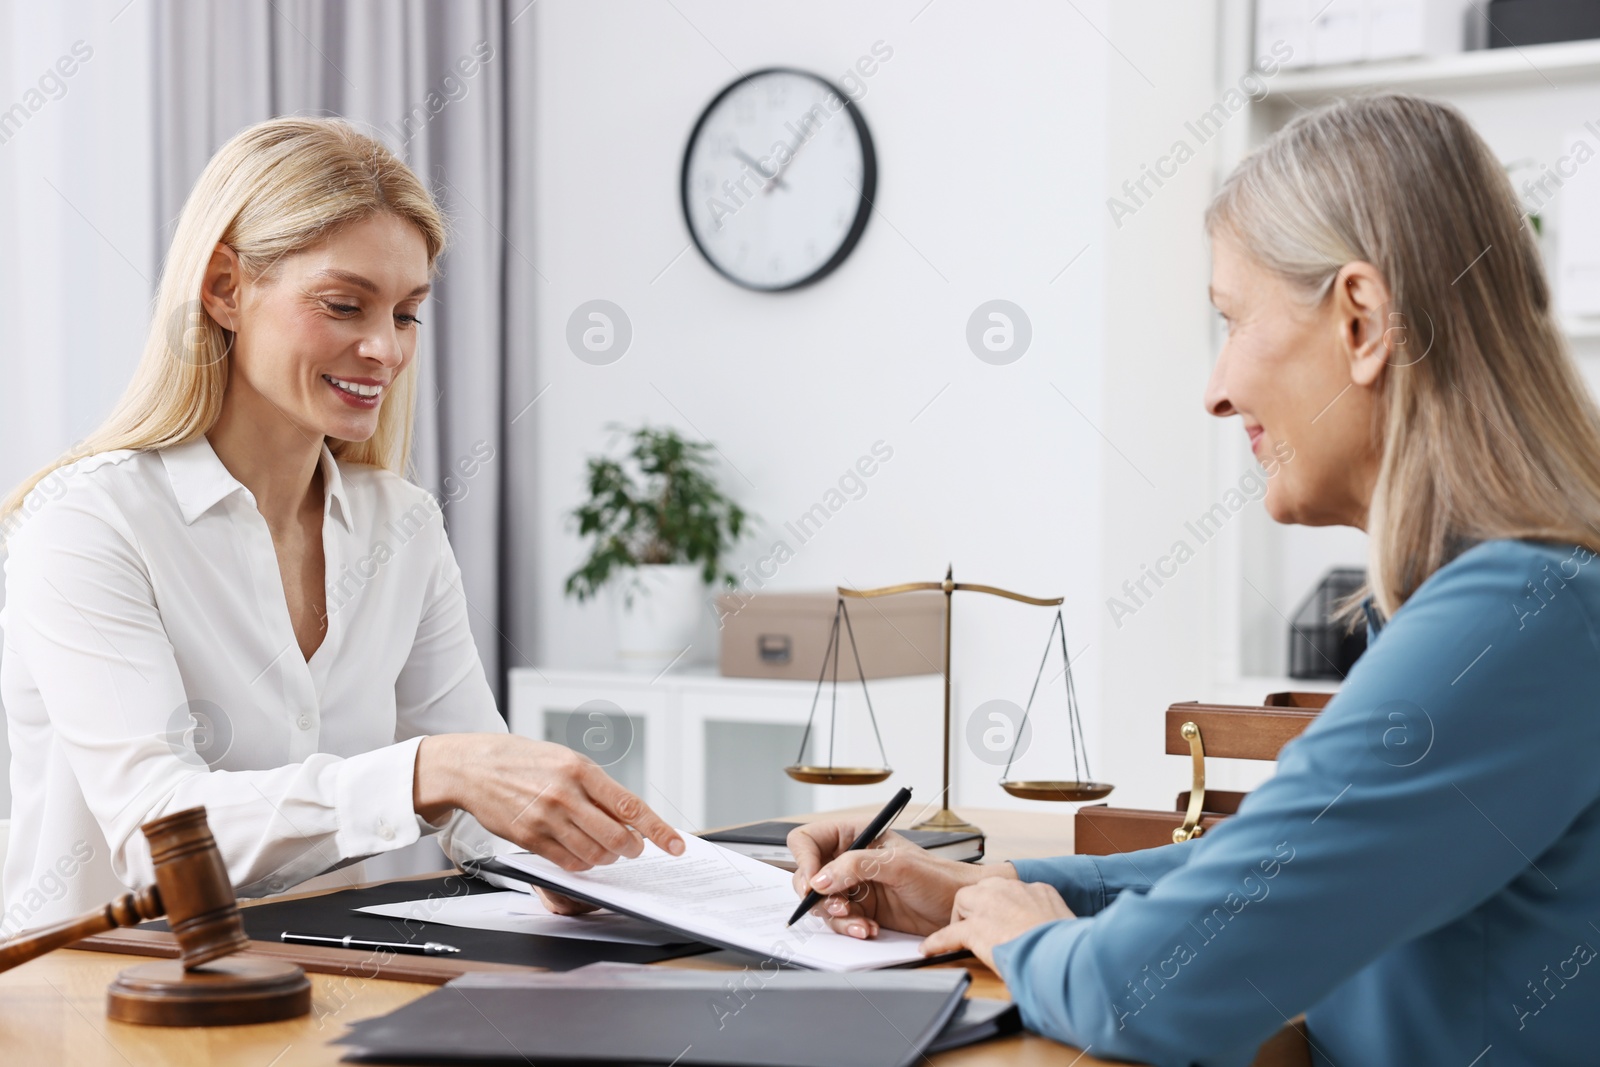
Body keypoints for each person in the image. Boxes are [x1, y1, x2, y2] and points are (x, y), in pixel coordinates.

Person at [790, 93, 1600, 1065]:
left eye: (1232, 319)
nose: (1215, 389)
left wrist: (1019, 932)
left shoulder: (1513, 620)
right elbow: (1258, 873)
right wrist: (985, 878)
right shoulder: (1530, 601)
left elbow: (1146, 992)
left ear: (1361, 321)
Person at [0, 117, 681, 934]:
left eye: (406, 313)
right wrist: (427, 772)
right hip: (105, 1002)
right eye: (344, 305)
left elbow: (474, 795)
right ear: (224, 288)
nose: (384, 349)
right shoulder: (89, 521)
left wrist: (559, 853)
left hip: (324, 988)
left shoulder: (403, 525)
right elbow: (157, 834)